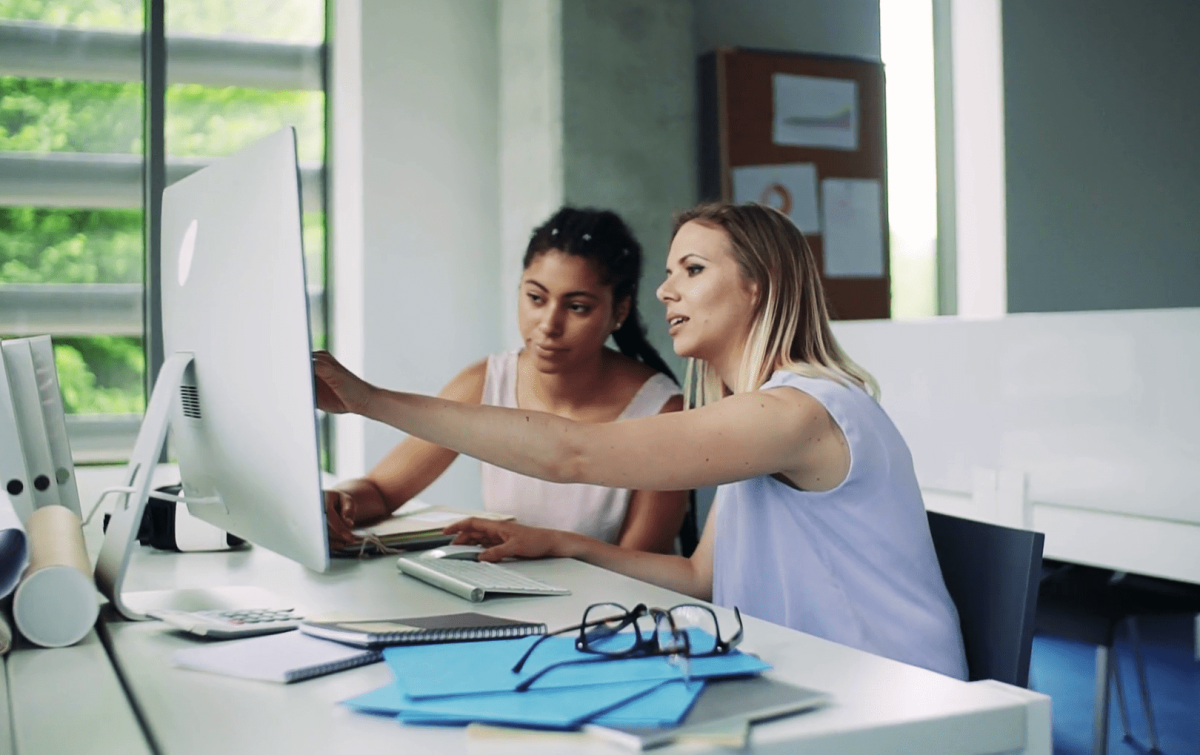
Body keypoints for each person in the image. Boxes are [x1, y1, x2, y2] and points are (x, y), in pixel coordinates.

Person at [314, 201, 969, 679]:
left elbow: (572, 453)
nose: (664, 290)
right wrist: (557, 542)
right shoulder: (755, 418)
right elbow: (698, 578)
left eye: (691, 269)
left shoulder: (796, 413)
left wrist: (367, 400)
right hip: (820, 680)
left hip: (892, 694)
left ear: (757, 285)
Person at [324, 207, 689, 555]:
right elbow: (382, 491)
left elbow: (640, 569)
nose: (549, 325)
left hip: (607, 614)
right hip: (507, 602)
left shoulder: (661, 412)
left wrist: (547, 545)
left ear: (619, 311)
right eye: (535, 298)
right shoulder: (486, 383)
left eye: (577, 306)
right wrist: (339, 502)